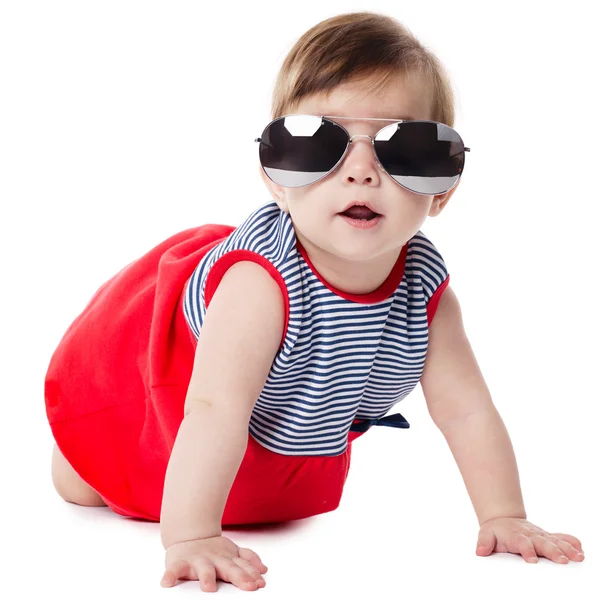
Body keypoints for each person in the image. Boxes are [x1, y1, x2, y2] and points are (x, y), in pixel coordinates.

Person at [45, 10, 585, 594]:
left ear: (444, 188)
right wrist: (190, 534)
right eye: (320, 142)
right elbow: (213, 411)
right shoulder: (259, 283)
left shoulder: (427, 294)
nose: (360, 172)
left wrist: (503, 514)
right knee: (84, 484)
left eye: (404, 149)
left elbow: (466, 411)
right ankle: (84, 460)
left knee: (266, 511)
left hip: (279, 440)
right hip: (177, 411)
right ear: (275, 177)